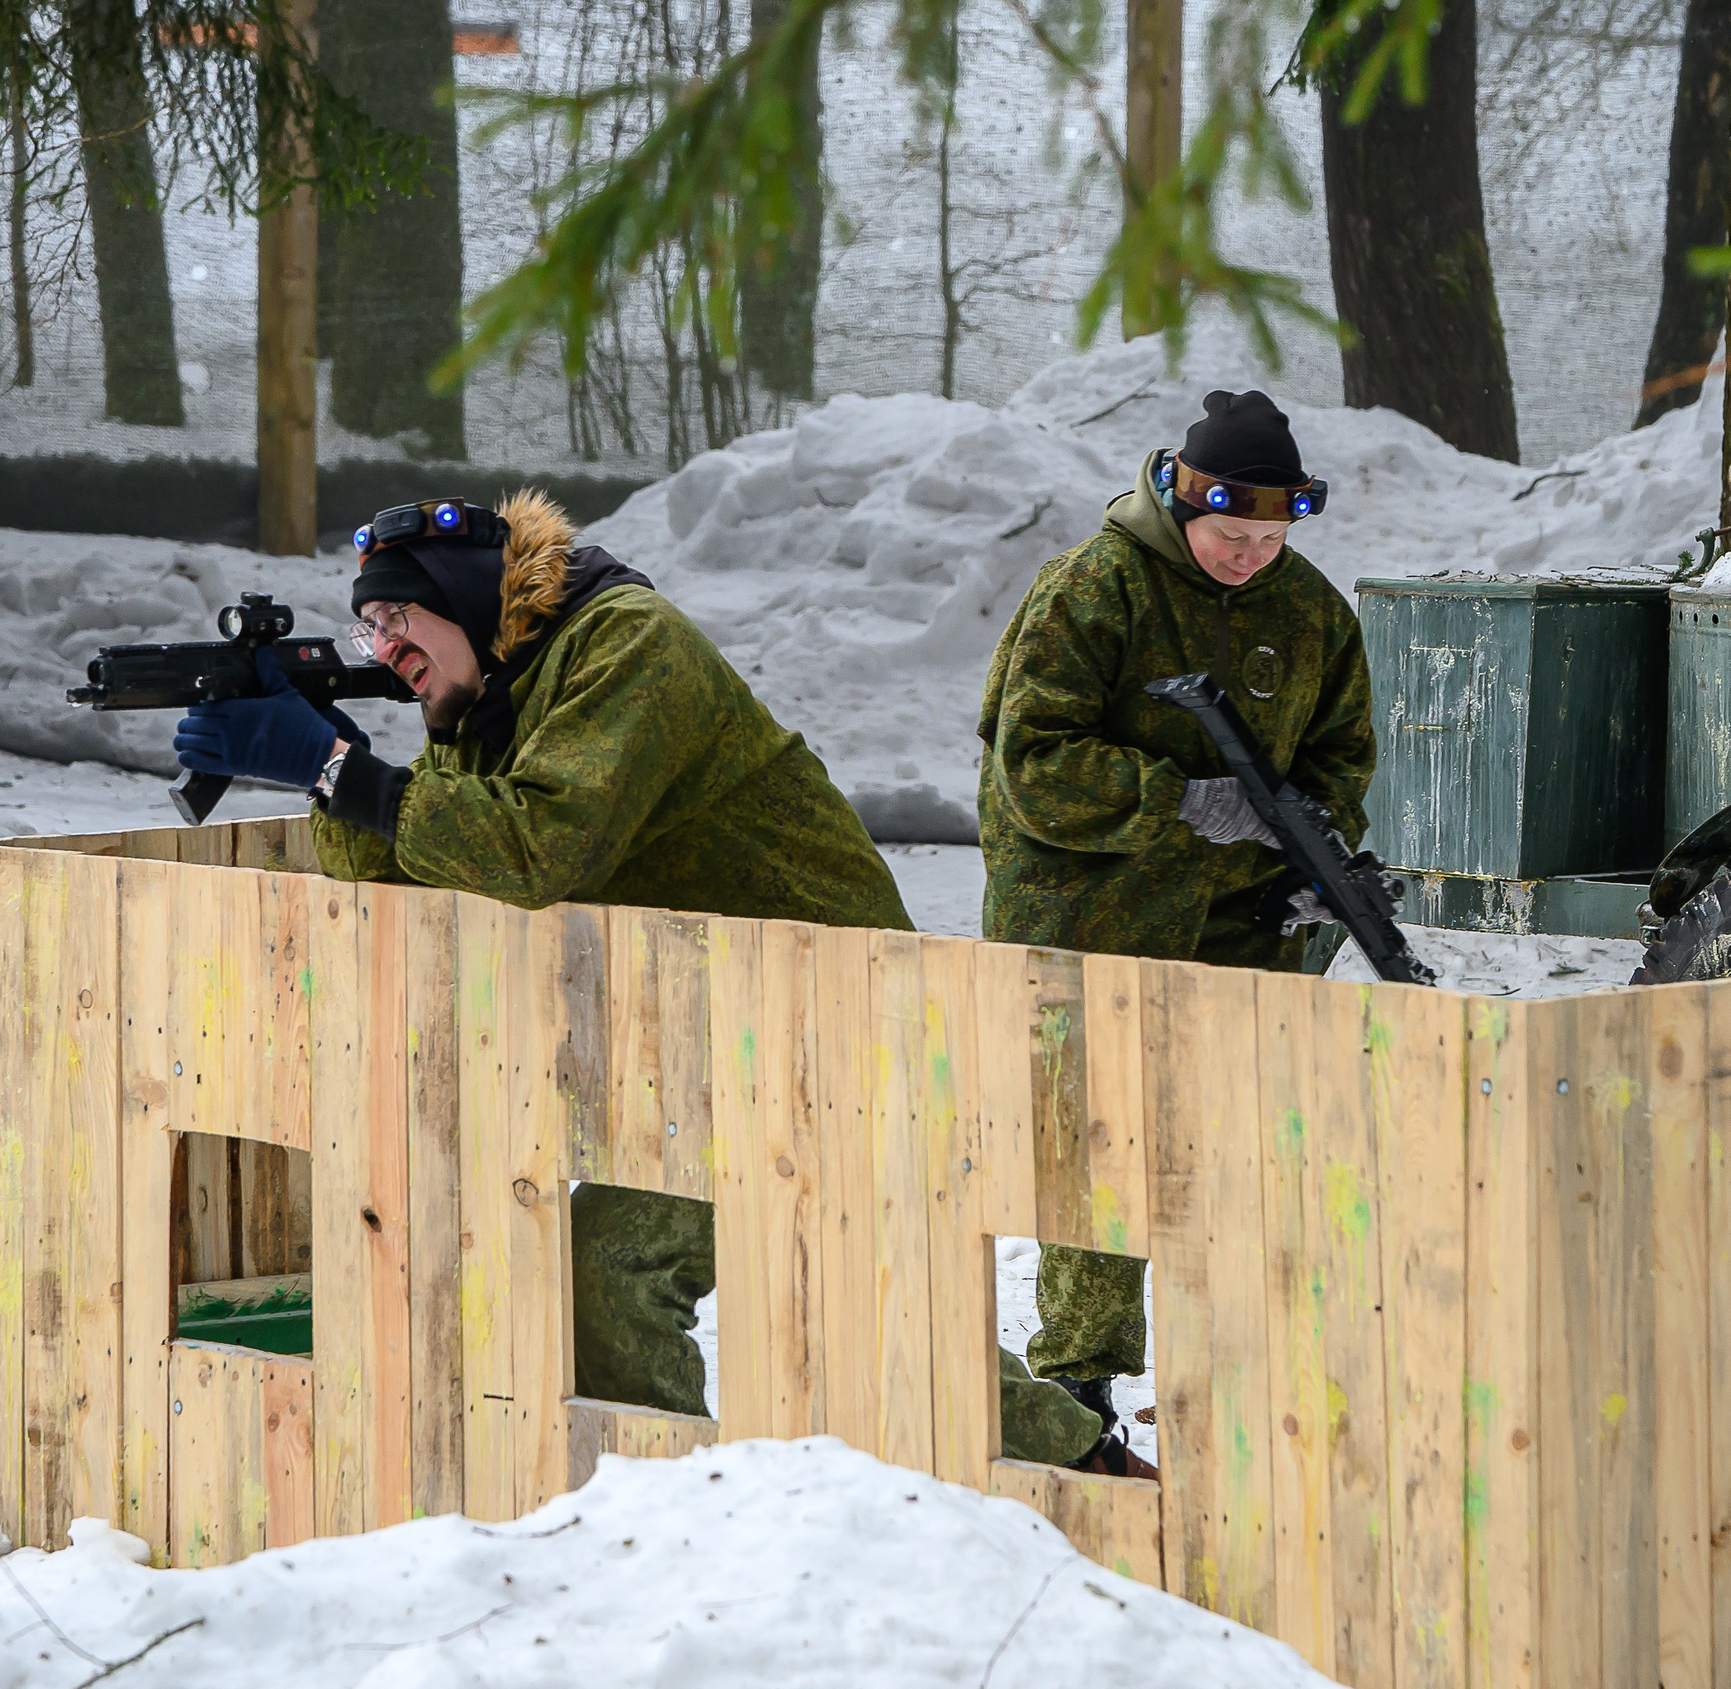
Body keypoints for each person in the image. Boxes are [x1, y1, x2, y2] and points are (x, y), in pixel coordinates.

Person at [175, 489, 1107, 1468]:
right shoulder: (484, 698)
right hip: (711, 1024)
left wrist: (335, 772)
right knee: (613, 1272)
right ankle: (660, 1517)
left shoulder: (626, 646)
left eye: (398, 617)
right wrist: (337, 763)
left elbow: (537, 849)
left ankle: (1089, 1477)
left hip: (833, 1002)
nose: (385, 646)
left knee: (863, 1290)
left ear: (464, 592)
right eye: (368, 628)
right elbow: (414, 861)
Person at [975, 391, 1377, 1449]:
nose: (1249, 558)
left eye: (1269, 539)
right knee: (1098, 1141)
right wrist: (1178, 800)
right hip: (1087, 907)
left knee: (1229, 1136)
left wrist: (1310, 863)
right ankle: (1078, 1376)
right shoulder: (1091, 591)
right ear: (1178, 501)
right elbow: (1032, 766)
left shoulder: (1312, 614)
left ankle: (1227, 1365)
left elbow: (1341, 762)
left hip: (1239, 919)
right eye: (1230, 536)